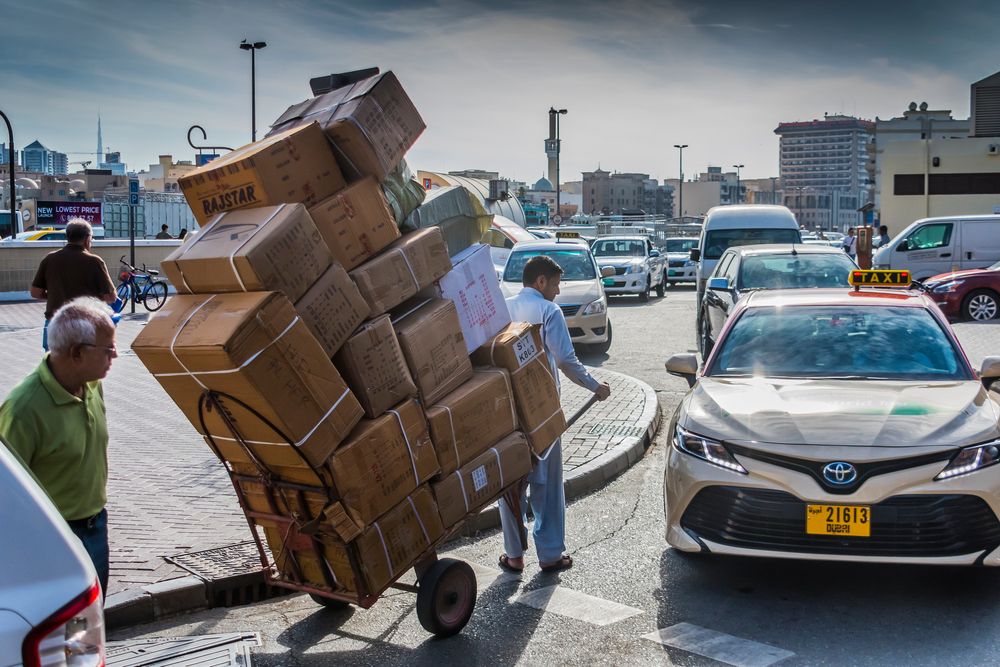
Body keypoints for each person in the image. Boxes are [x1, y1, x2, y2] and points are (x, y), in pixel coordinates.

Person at [498, 255, 611, 574]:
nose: (559, 291)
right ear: (541, 282)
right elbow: (566, 360)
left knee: (511, 484)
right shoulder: (549, 311)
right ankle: (549, 555)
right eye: (557, 284)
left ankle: (514, 555)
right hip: (542, 410)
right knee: (546, 485)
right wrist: (594, 386)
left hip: (507, 408)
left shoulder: (504, 307)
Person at [0, 297, 118, 597]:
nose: (115, 354)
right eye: (107, 349)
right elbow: (8, 495)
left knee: (92, 624)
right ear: (77, 352)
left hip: (95, 525)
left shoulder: (91, 384)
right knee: (66, 634)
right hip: (52, 540)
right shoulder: (23, 409)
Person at [30, 219, 117, 350]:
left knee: (55, 366)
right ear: (87, 239)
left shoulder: (50, 259)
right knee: (84, 367)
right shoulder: (94, 262)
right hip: (85, 325)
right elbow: (111, 297)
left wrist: (56, 295)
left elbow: (35, 292)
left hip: (54, 324)